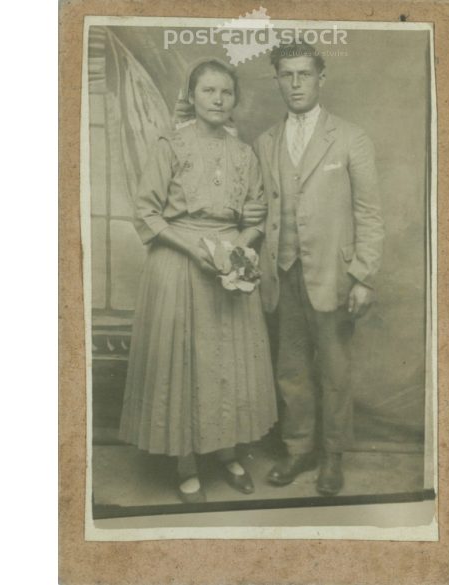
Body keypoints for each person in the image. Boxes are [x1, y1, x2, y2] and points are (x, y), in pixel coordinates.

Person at [119, 58, 277, 504]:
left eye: (226, 93)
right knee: (186, 363)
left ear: (235, 101)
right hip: (179, 264)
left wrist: (240, 251)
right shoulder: (170, 144)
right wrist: (198, 250)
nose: (218, 100)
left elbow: (255, 214)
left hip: (230, 265)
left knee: (227, 364)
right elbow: (146, 211)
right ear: (192, 96)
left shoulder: (244, 154)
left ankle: (226, 453)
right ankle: (186, 462)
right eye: (208, 91)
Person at [252, 42, 384, 496]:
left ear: (320, 79)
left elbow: (369, 213)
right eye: (286, 75)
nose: (295, 84)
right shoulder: (266, 142)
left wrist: (364, 275)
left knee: (334, 372)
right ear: (277, 81)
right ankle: (298, 450)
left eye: (304, 74)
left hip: (333, 276)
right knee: (290, 371)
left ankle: (332, 457)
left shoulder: (350, 138)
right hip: (282, 274)